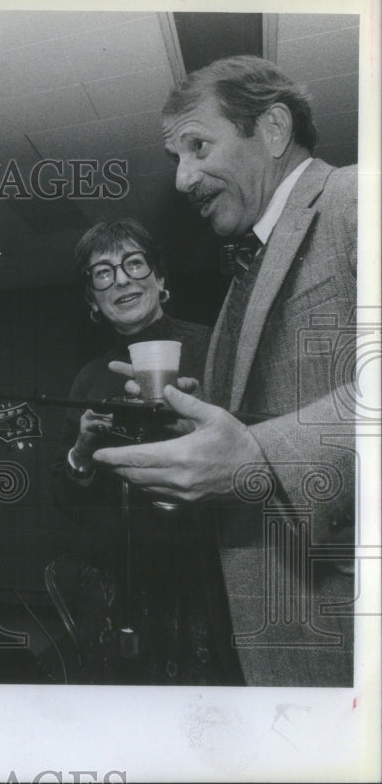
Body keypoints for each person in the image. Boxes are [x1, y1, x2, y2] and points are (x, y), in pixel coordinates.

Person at [93, 56, 357, 687]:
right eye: (176, 158)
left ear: (271, 128)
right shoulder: (245, 267)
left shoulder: (354, 196)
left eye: (198, 146)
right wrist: (200, 407)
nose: (183, 179)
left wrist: (261, 459)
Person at [48, 218, 240, 684]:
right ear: (93, 300)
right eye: (103, 273)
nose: (122, 279)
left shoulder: (216, 348)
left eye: (134, 263)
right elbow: (69, 505)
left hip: (208, 581)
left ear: (161, 278)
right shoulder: (90, 378)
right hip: (121, 584)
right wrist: (81, 452)